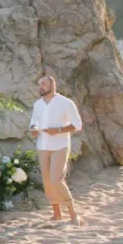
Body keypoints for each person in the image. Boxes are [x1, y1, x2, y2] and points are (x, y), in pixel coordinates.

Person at [29, 76, 83, 225]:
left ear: (53, 85)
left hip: (60, 146)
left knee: (56, 180)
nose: (41, 86)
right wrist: (33, 129)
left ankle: (73, 214)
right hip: (42, 146)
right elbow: (34, 121)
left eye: (44, 84)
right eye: (39, 84)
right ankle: (57, 213)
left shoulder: (66, 103)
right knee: (47, 181)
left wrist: (58, 130)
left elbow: (77, 125)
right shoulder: (38, 104)